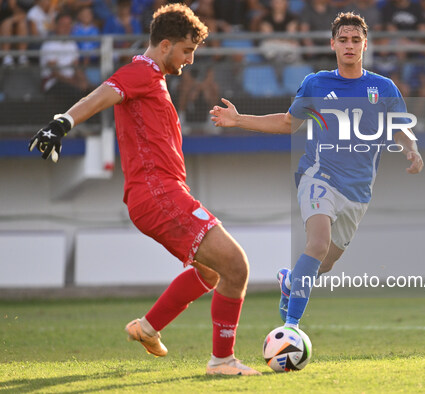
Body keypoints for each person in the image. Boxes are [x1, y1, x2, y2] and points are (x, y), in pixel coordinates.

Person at [28, 3, 260, 376]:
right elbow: (102, 94)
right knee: (236, 265)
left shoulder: (153, 78)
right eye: (187, 51)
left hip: (159, 194)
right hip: (159, 194)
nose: (189, 60)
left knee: (212, 273)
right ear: (165, 45)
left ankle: (148, 327)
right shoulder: (141, 71)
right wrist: (63, 122)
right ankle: (222, 361)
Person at [210, 12, 423, 329]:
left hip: (359, 192)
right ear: (333, 44)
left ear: (365, 44)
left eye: (355, 40)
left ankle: (290, 281)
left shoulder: (385, 88)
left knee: (326, 261)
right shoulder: (316, 83)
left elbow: (400, 128)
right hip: (318, 177)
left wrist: (412, 149)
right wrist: (239, 120)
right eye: (343, 40)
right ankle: (291, 328)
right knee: (318, 244)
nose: (349, 45)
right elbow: (287, 123)